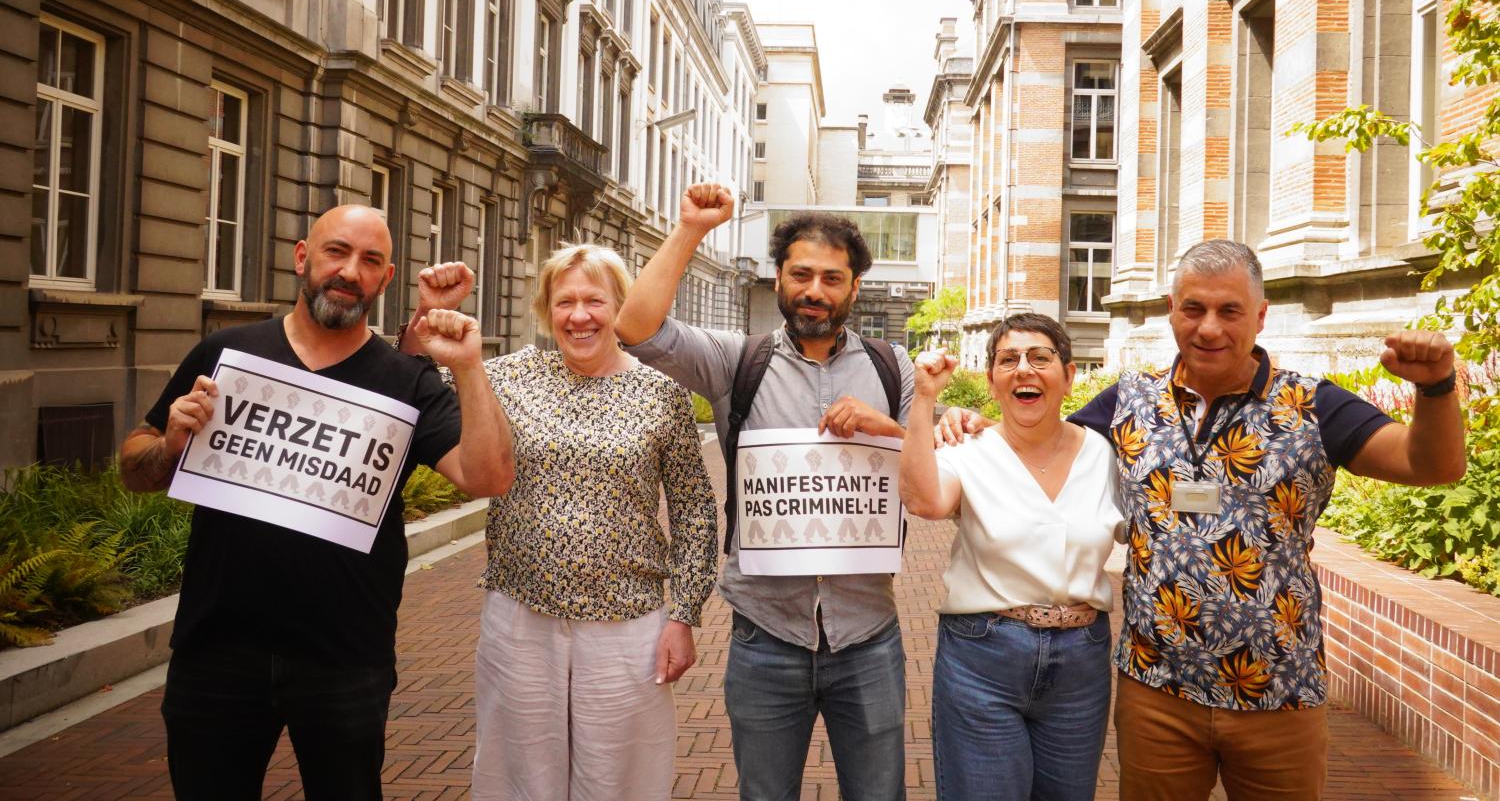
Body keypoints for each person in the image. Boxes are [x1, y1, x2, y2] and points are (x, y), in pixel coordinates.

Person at [942, 239, 1466, 801]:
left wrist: (1434, 387)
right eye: (1193, 309)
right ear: (1172, 310)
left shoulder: (1313, 405)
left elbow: (1431, 465)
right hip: (1157, 695)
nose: (1209, 328)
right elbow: (1038, 440)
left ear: (1260, 315)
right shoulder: (1129, 402)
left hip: (1278, 693)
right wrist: (960, 422)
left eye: (1229, 311)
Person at [118, 204, 514, 801]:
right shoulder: (227, 353)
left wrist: (467, 367)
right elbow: (134, 467)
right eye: (337, 252)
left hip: (345, 658)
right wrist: (172, 444)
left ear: (386, 278)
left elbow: (488, 476)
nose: (350, 271)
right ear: (303, 256)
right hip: (217, 649)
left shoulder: (407, 381)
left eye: (370, 261)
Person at [615, 183, 916, 801]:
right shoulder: (737, 361)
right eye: (801, 274)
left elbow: (928, 479)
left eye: (833, 278)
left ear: (855, 287)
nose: (815, 291)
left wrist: (889, 429)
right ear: (778, 278)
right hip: (766, 635)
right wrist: (691, 229)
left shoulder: (894, 367)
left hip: (868, 633)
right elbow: (636, 330)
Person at [403, 243, 718, 801]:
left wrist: (684, 614)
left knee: (620, 781)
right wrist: (429, 312)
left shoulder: (662, 394)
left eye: (594, 301)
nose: (579, 316)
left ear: (619, 306)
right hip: (521, 617)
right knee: (518, 777)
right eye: (564, 301)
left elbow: (694, 512)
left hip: (628, 623)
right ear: (546, 310)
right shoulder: (500, 376)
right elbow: (413, 378)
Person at [902, 314, 1121, 801]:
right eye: (1008, 360)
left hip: (1081, 666)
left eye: (1040, 358)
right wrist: (926, 401)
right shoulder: (968, 450)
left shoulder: (1104, 457)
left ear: (1068, 377)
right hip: (984, 658)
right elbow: (924, 501)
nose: (1024, 369)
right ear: (992, 381)